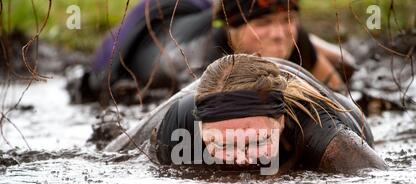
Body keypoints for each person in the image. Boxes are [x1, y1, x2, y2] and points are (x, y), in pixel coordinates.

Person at [105, 54, 386, 174]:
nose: (241, 160)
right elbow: (113, 161)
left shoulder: (318, 130)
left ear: (280, 122)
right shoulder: (181, 126)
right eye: (222, 145)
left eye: (255, 141)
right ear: (201, 132)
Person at [74, 0, 355, 104]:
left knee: (347, 62)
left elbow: (336, 91)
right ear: (232, 28)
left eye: (288, 19)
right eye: (263, 23)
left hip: (203, 10)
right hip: (150, 23)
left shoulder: (295, 36)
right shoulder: (204, 65)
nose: (280, 34)